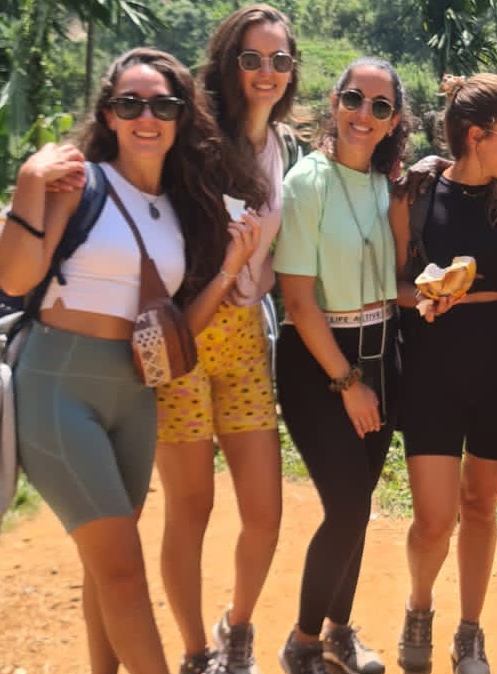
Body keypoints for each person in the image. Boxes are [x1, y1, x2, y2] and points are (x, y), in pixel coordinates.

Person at [0, 48, 261, 674]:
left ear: (180, 117)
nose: (147, 117)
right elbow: (14, 278)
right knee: (122, 569)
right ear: (109, 114)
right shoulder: (78, 182)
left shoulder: (178, 207)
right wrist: (30, 183)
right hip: (61, 387)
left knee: (107, 565)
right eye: (130, 103)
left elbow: (174, 334)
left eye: (163, 105)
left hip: (136, 393)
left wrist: (227, 269)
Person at [388, 73, 497, 674]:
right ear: (477, 136)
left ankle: (470, 632)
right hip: (431, 366)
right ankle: (420, 607)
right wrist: (423, 297)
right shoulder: (417, 192)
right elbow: (390, 283)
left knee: (481, 507)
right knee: (433, 521)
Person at [152, 5, 298, 674]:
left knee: (263, 512)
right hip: (186, 335)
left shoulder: (284, 147)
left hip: (243, 338)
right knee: (190, 509)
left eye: (279, 60)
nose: (266, 73)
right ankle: (193, 651)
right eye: (252, 59)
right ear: (227, 62)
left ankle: (236, 626)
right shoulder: (194, 136)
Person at [273, 56, 407, 674]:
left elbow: (388, 285)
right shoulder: (308, 183)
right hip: (320, 363)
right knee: (348, 507)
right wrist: (348, 382)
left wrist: (427, 293)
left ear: (393, 120)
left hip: (382, 352)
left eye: (379, 107)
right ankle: (303, 640)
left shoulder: (385, 184)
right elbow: (299, 302)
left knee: (360, 501)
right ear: (335, 101)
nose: (364, 115)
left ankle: (338, 634)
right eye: (355, 99)